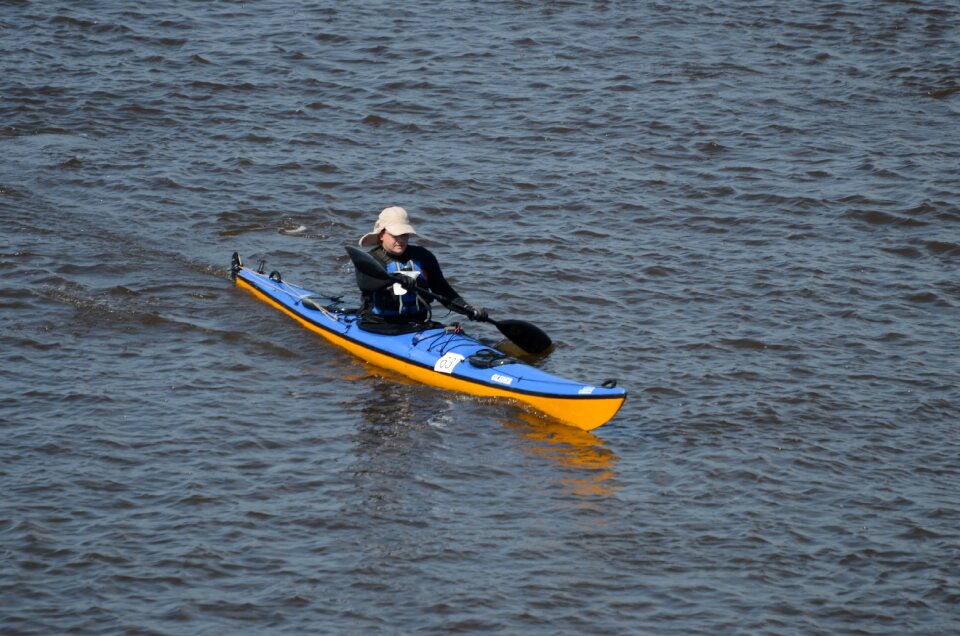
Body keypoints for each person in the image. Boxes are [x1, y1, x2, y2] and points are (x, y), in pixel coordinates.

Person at [355, 206, 486, 333]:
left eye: (404, 235)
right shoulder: (371, 260)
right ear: (382, 235)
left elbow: (443, 290)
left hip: (418, 323)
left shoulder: (423, 256)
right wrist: (394, 279)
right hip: (380, 323)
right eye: (395, 235)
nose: (401, 240)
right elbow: (366, 284)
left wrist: (467, 309)